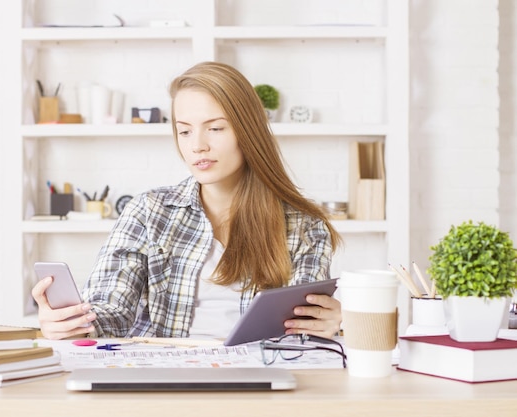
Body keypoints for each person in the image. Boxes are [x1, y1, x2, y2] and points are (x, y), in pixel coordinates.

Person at [32, 61, 343, 341]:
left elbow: (302, 330)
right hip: (165, 381)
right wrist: (73, 322)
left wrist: (333, 322)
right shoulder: (148, 212)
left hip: (259, 382)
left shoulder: (304, 225)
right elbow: (112, 311)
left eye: (215, 128)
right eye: (184, 131)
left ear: (248, 131)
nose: (197, 146)